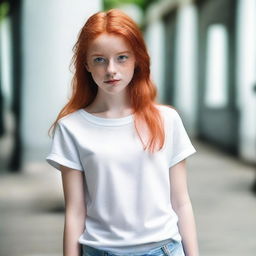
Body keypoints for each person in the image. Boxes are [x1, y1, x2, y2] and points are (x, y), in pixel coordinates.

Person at [46, 8, 199, 256]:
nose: (111, 70)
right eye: (99, 59)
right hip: (99, 250)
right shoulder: (71, 128)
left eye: (122, 58)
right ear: (85, 63)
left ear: (137, 59)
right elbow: (74, 211)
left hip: (163, 250)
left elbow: (181, 202)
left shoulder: (166, 120)